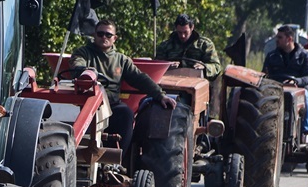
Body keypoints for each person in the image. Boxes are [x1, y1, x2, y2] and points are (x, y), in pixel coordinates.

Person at [71, 19, 176, 153]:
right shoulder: (83, 53)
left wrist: (160, 95)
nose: (104, 37)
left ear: (114, 38)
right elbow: (77, 64)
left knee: (126, 114)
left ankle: (115, 158)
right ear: (94, 35)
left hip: (112, 105)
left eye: (108, 35)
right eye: (100, 34)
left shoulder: (121, 60)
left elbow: (139, 78)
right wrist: (84, 71)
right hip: (86, 102)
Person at [156, 13, 225, 117]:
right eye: (179, 32)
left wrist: (204, 67)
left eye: (185, 32)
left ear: (192, 28)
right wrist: (167, 65)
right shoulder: (166, 46)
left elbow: (216, 67)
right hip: (170, 89)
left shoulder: (204, 45)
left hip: (196, 92)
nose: (182, 36)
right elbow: (157, 67)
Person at [263, 24, 308, 139]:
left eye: (280, 37)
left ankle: (305, 132)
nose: (277, 40)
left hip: (297, 88)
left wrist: (296, 81)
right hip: (276, 88)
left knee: (306, 96)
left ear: (289, 39)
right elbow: (265, 75)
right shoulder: (271, 56)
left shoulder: (304, 55)